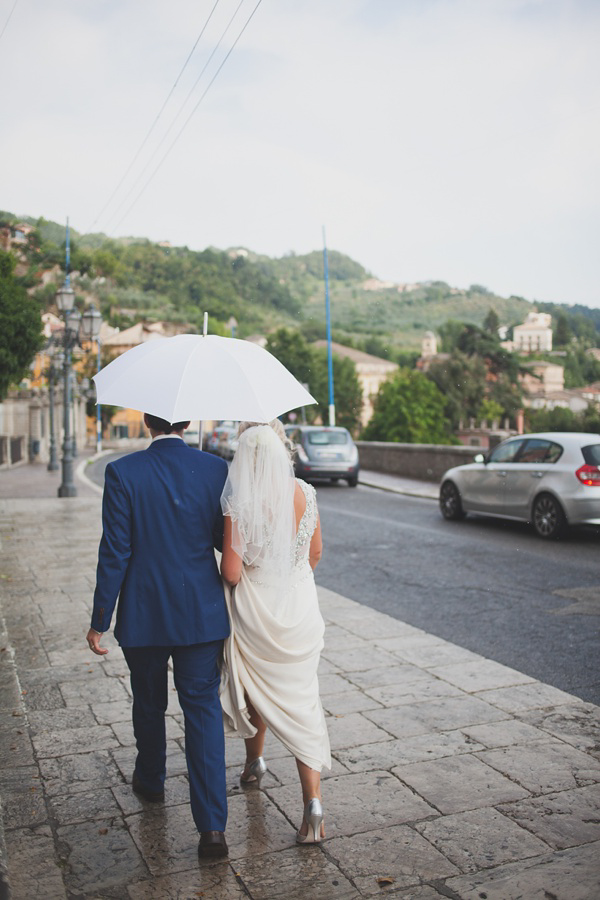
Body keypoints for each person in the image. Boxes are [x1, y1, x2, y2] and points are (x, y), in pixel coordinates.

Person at [87, 413, 230, 859]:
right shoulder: (214, 469)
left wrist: (99, 619)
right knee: (203, 710)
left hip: (144, 613)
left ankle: (151, 780)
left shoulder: (123, 472)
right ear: (186, 422)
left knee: (148, 701)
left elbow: (116, 550)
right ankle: (211, 831)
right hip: (200, 614)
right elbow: (224, 540)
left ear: (147, 422)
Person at [219, 420, 331, 843]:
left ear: (245, 458)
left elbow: (232, 572)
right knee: (304, 700)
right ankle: (313, 804)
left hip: (258, 610)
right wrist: (292, 579)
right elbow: (315, 552)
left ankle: (255, 762)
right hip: (300, 605)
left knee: (256, 691)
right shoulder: (307, 493)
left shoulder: (239, 503)